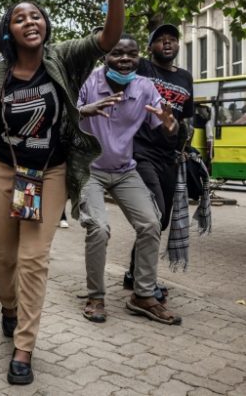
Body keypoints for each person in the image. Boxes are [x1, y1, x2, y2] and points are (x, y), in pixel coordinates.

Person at [0, 0, 125, 385]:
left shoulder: (64, 59)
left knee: (34, 258)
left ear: (45, 26)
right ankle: (8, 307)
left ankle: (24, 346)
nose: (30, 22)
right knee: (6, 258)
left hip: (47, 174)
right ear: (8, 31)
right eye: (20, 18)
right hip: (1, 170)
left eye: (36, 16)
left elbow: (107, 39)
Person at [78, 35, 182, 327]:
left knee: (151, 224)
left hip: (124, 169)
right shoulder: (89, 82)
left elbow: (164, 124)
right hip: (90, 170)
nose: (125, 59)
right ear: (105, 57)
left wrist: (171, 126)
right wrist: (81, 111)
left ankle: (143, 296)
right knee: (98, 228)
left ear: (139, 58)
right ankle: (95, 297)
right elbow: (66, 115)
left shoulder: (145, 87)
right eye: (117, 53)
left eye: (131, 54)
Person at [123, 24, 194, 295]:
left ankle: (133, 273)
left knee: (159, 220)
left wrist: (185, 147)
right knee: (153, 213)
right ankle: (145, 281)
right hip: (141, 151)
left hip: (170, 156)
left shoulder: (185, 78)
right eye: (160, 40)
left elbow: (185, 118)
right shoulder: (141, 67)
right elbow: (117, 54)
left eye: (172, 39)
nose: (167, 43)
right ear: (150, 46)